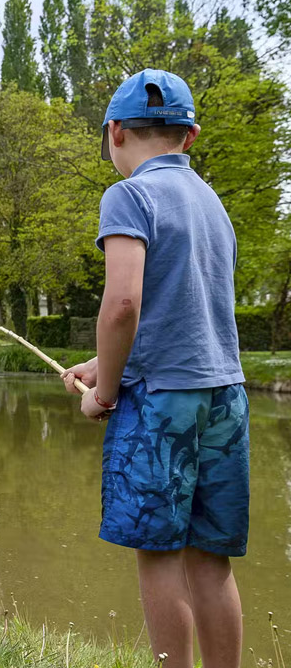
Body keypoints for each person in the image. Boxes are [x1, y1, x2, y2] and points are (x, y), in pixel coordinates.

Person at [61, 70, 248, 668]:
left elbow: (123, 303)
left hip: (161, 403)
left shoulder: (129, 196)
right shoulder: (212, 203)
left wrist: (106, 393)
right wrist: (103, 362)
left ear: (114, 132)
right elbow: (182, 312)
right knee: (209, 561)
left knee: (160, 556)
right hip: (225, 396)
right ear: (188, 137)